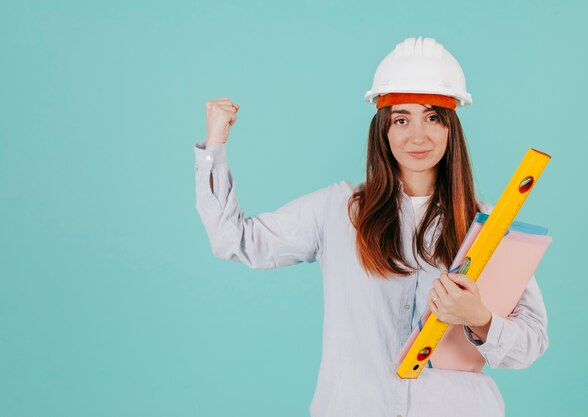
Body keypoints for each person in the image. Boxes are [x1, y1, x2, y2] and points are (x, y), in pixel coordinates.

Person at [193, 37, 548, 417]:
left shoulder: (488, 226)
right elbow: (236, 240)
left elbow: (532, 342)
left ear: (450, 128)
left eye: (432, 117)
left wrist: (478, 317)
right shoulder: (337, 211)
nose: (417, 136)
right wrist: (215, 146)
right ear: (383, 129)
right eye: (401, 119)